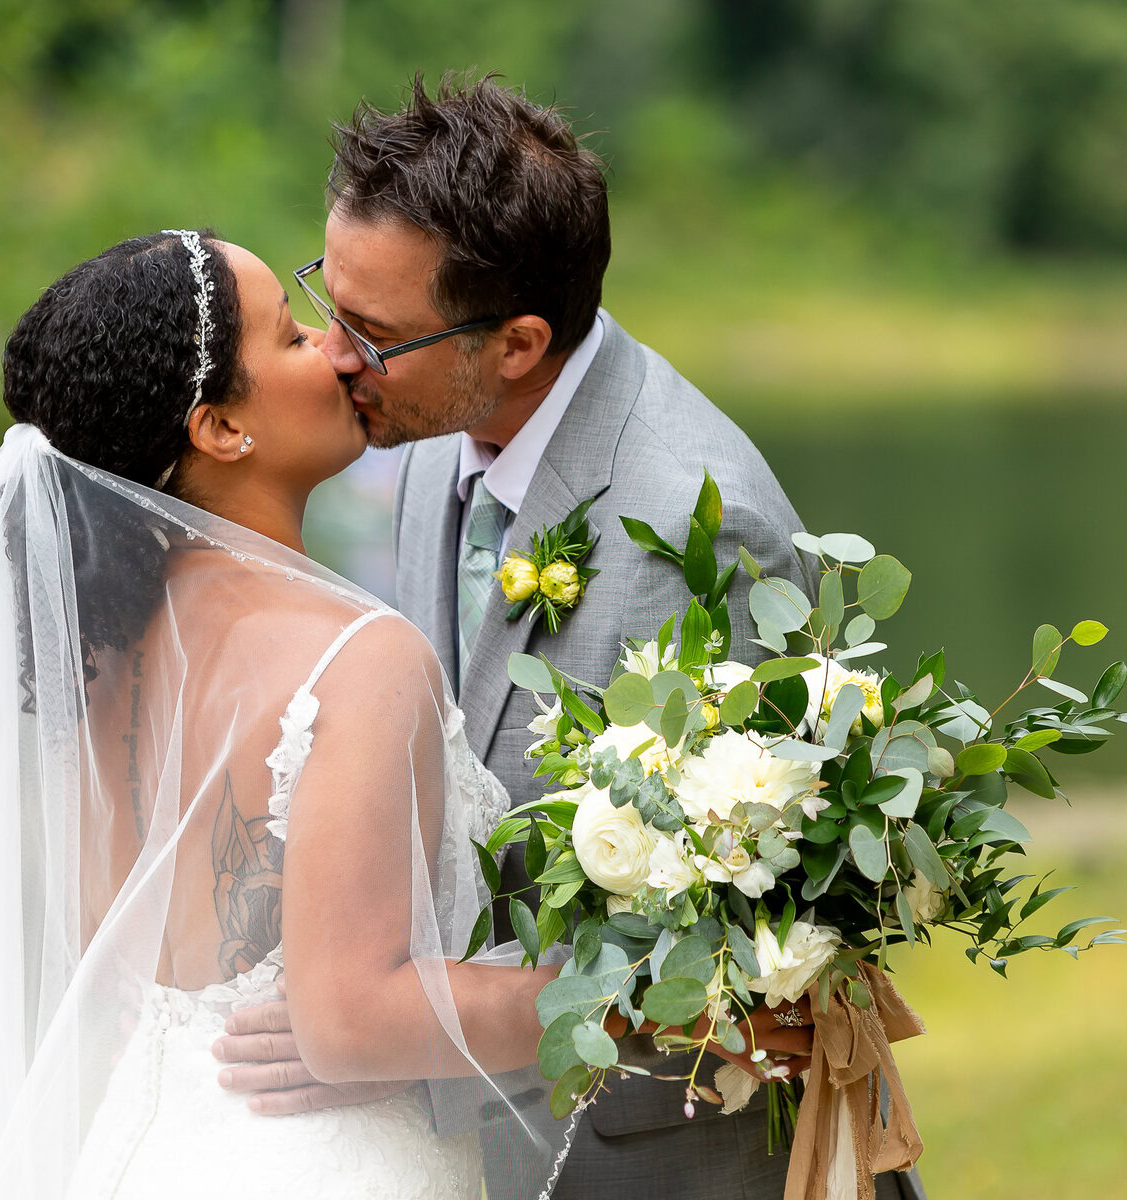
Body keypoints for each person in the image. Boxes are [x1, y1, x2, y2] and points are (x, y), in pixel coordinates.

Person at [210, 75, 925, 1200]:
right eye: (328, 300)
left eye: (373, 333)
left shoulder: (701, 534)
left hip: (672, 1163)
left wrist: (385, 1046)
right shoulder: (435, 420)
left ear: (517, 342)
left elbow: (732, 969)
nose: (337, 357)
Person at [0, 228, 617, 1200]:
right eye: (291, 338)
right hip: (327, 1167)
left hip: (147, 1154)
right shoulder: (361, 658)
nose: (338, 347)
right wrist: (634, 1005)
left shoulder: (96, 667)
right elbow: (347, 1018)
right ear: (221, 427)